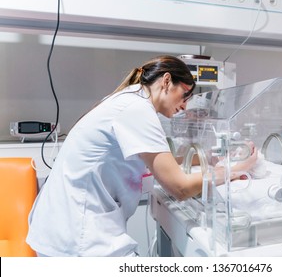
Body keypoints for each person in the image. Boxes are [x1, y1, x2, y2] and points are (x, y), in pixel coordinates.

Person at [26, 55, 258, 257]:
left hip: (61, 229)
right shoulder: (136, 109)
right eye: (185, 95)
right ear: (167, 81)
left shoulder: (127, 101)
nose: (185, 107)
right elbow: (179, 187)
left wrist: (211, 159)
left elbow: (157, 162)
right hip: (79, 239)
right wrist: (235, 170)